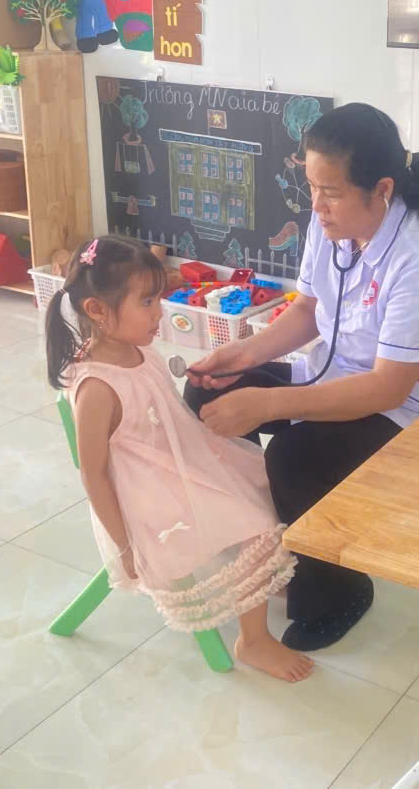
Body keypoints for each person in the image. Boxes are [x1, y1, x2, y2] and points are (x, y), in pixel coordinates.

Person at [186, 103, 419, 652]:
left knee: (295, 457)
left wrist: (268, 405)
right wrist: (240, 357)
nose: (316, 206)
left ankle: (339, 590)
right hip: (338, 373)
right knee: (208, 392)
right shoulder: (333, 225)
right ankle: (268, 541)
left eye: (331, 192)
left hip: (414, 409)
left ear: (382, 189)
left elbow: (387, 388)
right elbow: (305, 311)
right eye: (311, 187)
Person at [45, 237, 313, 683]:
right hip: (146, 492)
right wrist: (124, 545)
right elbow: (93, 473)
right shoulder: (96, 389)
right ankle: (253, 640)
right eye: (146, 302)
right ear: (97, 310)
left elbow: (157, 413)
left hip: (176, 462)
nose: (159, 313)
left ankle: (256, 582)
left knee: (266, 481)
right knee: (256, 523)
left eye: (158, 300)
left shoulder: (137, 350)